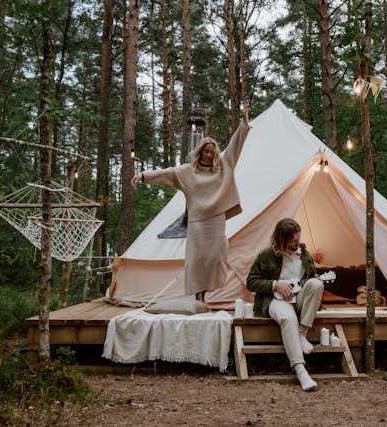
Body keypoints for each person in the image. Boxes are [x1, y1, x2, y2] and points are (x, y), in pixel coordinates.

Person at [131, 104, 251, 302]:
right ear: (200, 152)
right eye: (207, 151)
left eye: (213, 151)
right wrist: (144, 176)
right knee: (196, 261)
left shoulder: (223, 166)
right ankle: (199, 297)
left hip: (216, 221)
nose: (210, 155)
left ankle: (207, 291)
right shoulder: (188, 172)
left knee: (215, 257)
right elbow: (167, 173)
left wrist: (244, 122)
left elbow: (236, 145)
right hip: (198, 222)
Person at [246, 217, 325, 391]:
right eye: (292, 241)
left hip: (299, 300)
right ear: (281, 239)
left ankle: (302, 334)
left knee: (317, 284)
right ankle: (301, 372)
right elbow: (251, 282)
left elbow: (310, 277)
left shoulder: (304, 255)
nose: (296, 243)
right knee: (288, 319)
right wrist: (275, 285)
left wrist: (315, 279)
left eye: (298, 239)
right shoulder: (266, 255)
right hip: (275, 300)